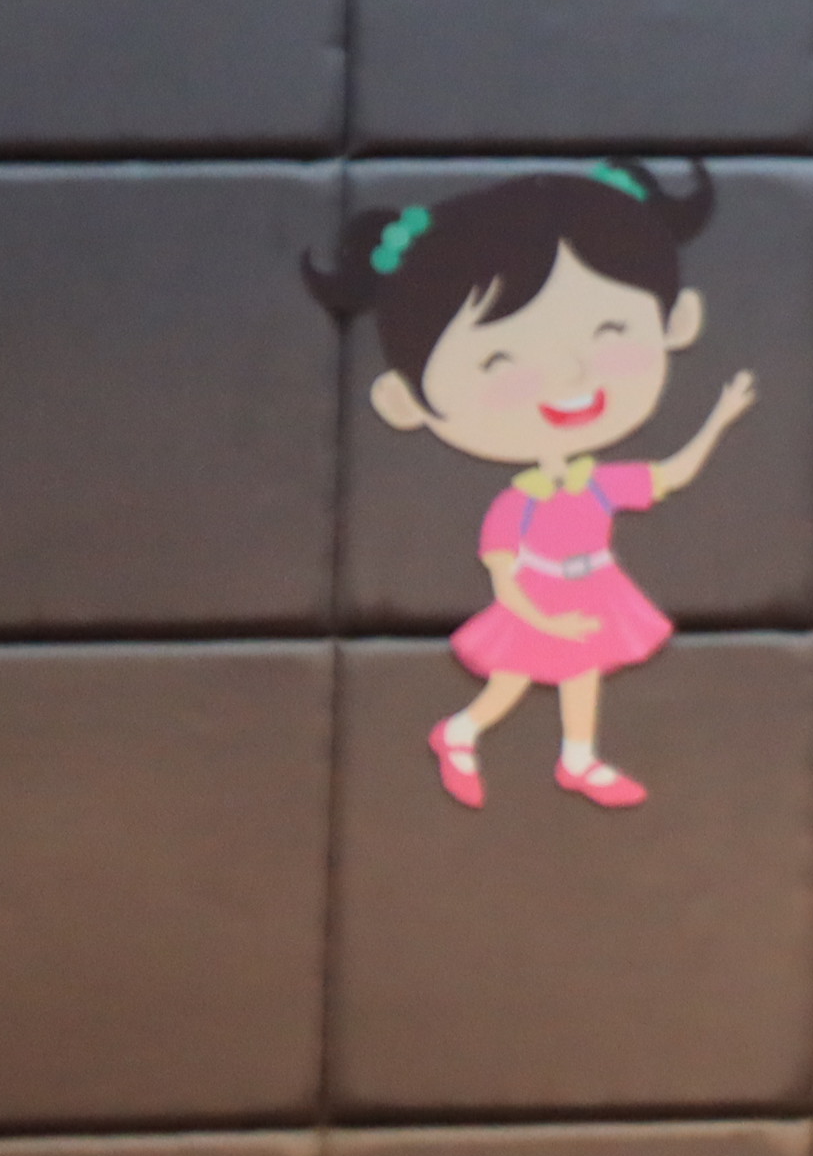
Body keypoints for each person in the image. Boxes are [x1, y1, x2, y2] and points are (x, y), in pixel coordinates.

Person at [305, 161, 759, 813]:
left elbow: (673, 474)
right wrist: (544, 618)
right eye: (499, 360)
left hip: (594, 584)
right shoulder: (515, 504)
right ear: (406, 401)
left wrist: (719, 418)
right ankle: (461, 731)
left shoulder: (597, 484)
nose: (569, 374)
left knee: (583, 670)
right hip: (539, 597)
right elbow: (503, 577)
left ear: (676, 322)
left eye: (608, 331)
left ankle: (577, 758)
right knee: (512, 683)